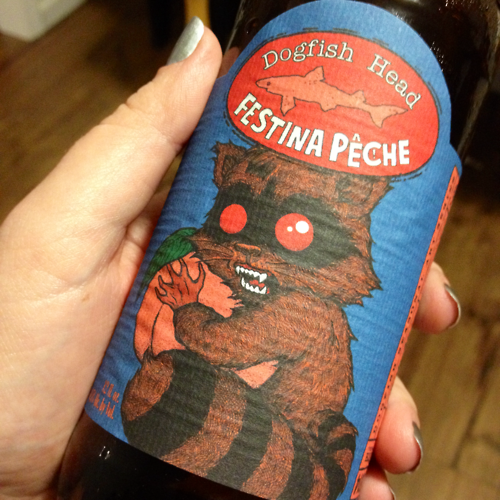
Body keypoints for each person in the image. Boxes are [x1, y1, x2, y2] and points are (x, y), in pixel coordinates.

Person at [0, 20, 461, 500]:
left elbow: (222, 343)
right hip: (114, 468)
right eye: (236, 218)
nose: (251, 250)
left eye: (297, 234)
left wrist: (188, 310)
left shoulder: (306, 314)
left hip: (268, 437)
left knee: (174, 389)